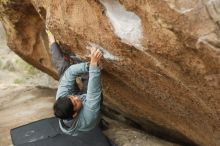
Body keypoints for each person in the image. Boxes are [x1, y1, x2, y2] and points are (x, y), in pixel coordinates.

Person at [47, 30, 103, 136]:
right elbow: (93, 93)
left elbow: (70, 72)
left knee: (64, 68)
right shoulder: (88, 116)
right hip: (90, 108)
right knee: (91, 76)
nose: (76, 98)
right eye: (75, 103)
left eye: (71, 97)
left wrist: (87, 66)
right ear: (74, 114)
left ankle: (53, 43)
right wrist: (94, 65)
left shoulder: (62, 98)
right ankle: (100, 121)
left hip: (82, 105)